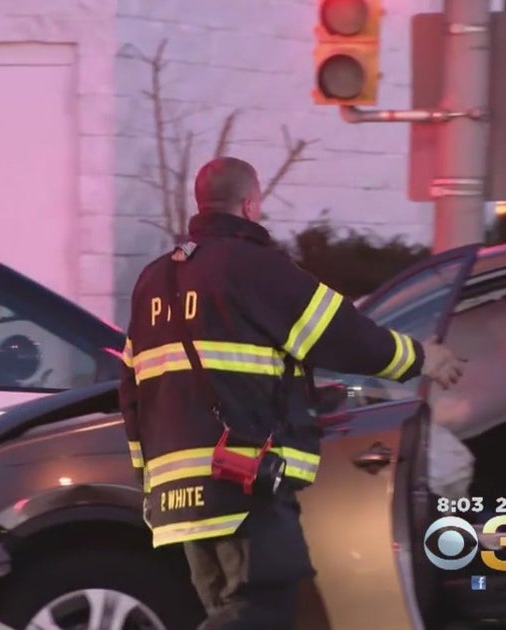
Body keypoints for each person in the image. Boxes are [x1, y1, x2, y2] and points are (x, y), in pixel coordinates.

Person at [118, 156, 466, 629]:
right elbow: (341, 333)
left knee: (231, 611)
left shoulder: (154, 281)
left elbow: (131, 392)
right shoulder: (255, 267)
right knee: (262, 610)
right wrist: (422, 358)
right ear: (250, 204)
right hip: (241, 478)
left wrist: (148, 477)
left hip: (175, 492)